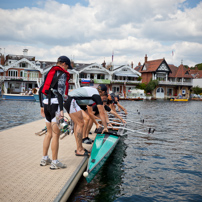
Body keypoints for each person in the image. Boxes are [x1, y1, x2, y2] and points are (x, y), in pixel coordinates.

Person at [39, 56, 71, 169]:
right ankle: (55, 162)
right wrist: (62, 110)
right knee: (56, 135)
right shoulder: (61, 74)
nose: (67, 69)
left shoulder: (49, 72)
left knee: (48, 133)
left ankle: (44, 159)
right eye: (67, 66)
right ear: (63, 64)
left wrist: (41, 106)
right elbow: (60, 93)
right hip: (55, 105)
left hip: (46, 104)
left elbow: (41, 89)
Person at [63, 84, 109, 154]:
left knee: (78, 123)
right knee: (80, 123)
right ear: (102, 92)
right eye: (104, 94)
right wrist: (105, 127)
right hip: (70, 100)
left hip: (69, 100)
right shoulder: (96, 95)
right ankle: (79, 150)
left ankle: (80, 147)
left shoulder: (91, 94)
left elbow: (87, 111)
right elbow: (102, 112)